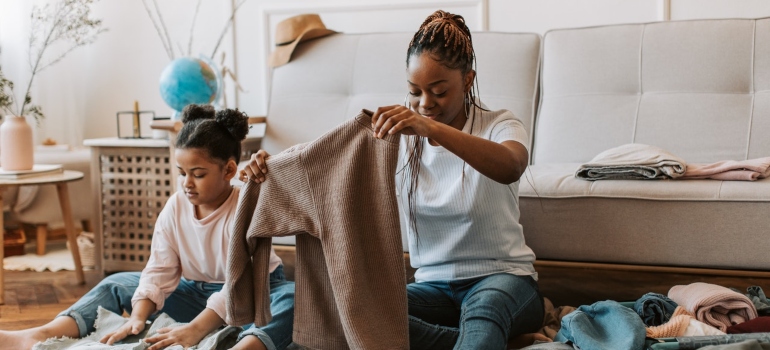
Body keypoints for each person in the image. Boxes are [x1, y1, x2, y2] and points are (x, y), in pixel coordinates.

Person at [0, 105, 295, 350]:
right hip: (196, 294)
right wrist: (137, 317)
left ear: (229, 170)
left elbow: (237, 285)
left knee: (293, 298)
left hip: (253, 295)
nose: (187, 183)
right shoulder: (176, 206)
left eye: (198, 174)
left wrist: (194, 329)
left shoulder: (246, 203)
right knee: (117, 283)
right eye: (182, 173)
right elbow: (159, 269)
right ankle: (42, 334)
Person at [369, 10, 545, 349]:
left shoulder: (501, 125)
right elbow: (329, 160)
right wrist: (268, 164)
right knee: (362, 309)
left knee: (484, 311)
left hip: (504, 281)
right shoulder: (400, 136)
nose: (424, 104)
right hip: (434, 287)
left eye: (437, 91)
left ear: (467, 80)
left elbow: (510, 165)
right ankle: (499, 343)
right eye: (415, 91)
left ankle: (485, 334)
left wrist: (431, 128)